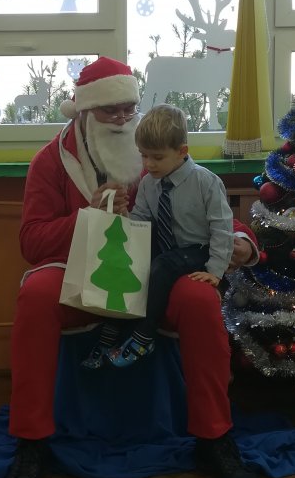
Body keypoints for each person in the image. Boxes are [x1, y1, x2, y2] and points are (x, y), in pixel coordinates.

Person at [3, 56, 262, 478]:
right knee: (35, 297)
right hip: (77, 269)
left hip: (156, 267)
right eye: (111, 110)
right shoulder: (50, 162)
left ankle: (214, 437)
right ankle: (32, 442)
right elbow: (32, 242)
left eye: (129, 109)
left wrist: (242, 239)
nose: (123, 119)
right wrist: (87, 214)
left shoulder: (152, 150)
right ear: (85, 111)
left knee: (200, 301)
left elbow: (205, 202)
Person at [83, 103, 234, 369]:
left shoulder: (206, 182)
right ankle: (109, 332)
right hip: (166, 249)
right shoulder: (148, 183)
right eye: (143, 156)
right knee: (127, 261)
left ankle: (144, 337)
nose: (148, 164)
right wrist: (123, 216)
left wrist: (215, 271)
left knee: (162, 266)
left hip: (197, 249)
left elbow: (222, 228)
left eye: (157, 157)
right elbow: (141, 222)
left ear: (182, 151)